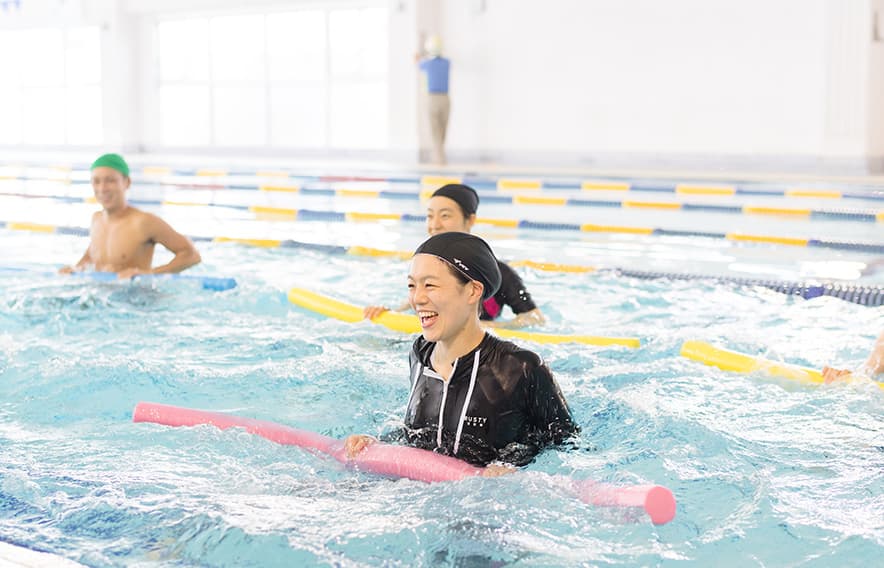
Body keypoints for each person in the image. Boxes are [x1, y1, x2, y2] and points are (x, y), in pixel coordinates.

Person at [345, 232, 578, 475]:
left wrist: (511, 463)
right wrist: (377, 441)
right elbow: (420, 433)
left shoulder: (520, 368)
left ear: (473, 291)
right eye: (412, 285)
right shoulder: (420, 353)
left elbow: (567, 444)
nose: (417, 299)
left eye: (430, 285)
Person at [364, 183, 546, 328]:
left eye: (445, 216)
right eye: (429, 216)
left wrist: (486, 326)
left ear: (471, 219)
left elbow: (534, 318)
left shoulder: (498, 273)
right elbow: (418, 303)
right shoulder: (425, 265)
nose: (434, 225)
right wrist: (389, 313)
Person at [59, 153, 201, 279]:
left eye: (110, 180)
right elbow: (92, 255)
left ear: (127, 182)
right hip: (100, 296)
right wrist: (76, 268)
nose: (102, 188)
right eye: (96, 181)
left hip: (135, 300)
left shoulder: (143, 222)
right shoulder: (96, 219)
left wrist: (151, 274)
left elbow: (191, 255)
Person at [417, 34, 450, 165]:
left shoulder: (427, 64)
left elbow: (418, 62)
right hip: (445, 99)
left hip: (432, 99)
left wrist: (422, 52)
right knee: (442, 131)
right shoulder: (447, 63)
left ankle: (438, 158)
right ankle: (439, 156)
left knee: (435, 131)